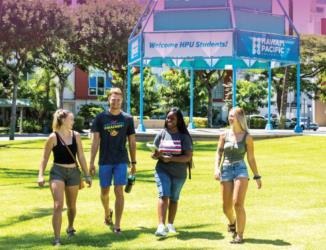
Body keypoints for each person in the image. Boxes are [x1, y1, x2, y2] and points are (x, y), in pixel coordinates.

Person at [38, 109, 92, 246]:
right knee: (58, 205)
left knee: (71, 206)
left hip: (73, 172)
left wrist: (86, 175)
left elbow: (81, 156)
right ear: (63, 120)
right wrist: (40, 175)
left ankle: (70, 227)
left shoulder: (76, 135)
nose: (73, 122)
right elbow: (44, 158)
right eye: (71, 119)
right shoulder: (53, 137)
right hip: (57, 172)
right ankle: (57, 239)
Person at [89, 87, 136, 234]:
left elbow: (132, 142)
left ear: (122, 100)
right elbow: (95, 142)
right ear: (108, 100)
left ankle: (117, 225)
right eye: (113, 99)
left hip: (121, 160)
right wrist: (91, 162)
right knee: (104, 192)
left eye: (118, 100)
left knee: (119, 191)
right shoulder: (100, 118)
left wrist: (133, 163)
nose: (115, 102)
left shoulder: (127, 119)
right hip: (105, 160)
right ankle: (106, 211)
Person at [214, 107, 262, 244]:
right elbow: (218, 153)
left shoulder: (247, 137)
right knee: (226, 207)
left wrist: (257, 176)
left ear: (239, 118)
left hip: (240, 169)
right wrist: (216, 169)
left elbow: (251, 158)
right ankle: (232, 222)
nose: (230, 118)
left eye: (232, 116)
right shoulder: (224, 135)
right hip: (226, 169)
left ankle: (239, 235)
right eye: (229, 116)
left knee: (238, 203)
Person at [152, 107, 193, 237]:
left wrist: (172, 158)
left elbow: (188, 157)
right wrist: (155, 155)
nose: (169, 120)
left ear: (178, 120)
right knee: (164, 194)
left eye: (172, 118)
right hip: (162, 169)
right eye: (168, 117)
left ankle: (170, 224)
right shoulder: (162, 134)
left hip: (179, 173)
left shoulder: (184, 136)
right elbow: (155, 151)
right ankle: (161, 226)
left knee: (174, 199)